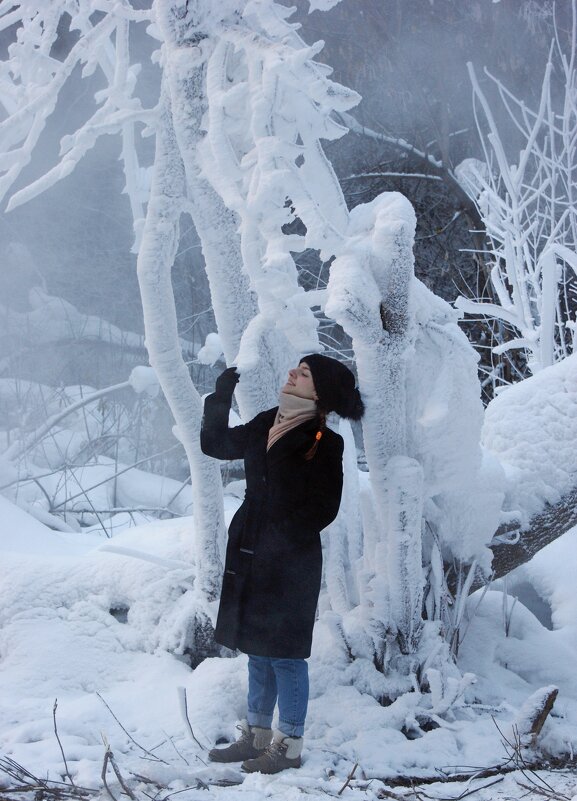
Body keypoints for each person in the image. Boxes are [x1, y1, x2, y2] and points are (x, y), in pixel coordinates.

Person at [200, 354, 364, 774]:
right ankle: (255, 737)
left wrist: (280, 537)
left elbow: (324, 507)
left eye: (304, 373)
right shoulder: (266, 421)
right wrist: (220, 398)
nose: (293, 373)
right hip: (250, 549)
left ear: (320, 390)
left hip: (292, 560)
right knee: (257, 650)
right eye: (296, 368)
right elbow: (215, 445)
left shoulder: (325, 441)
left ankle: (288, 744)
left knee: (286, 655)